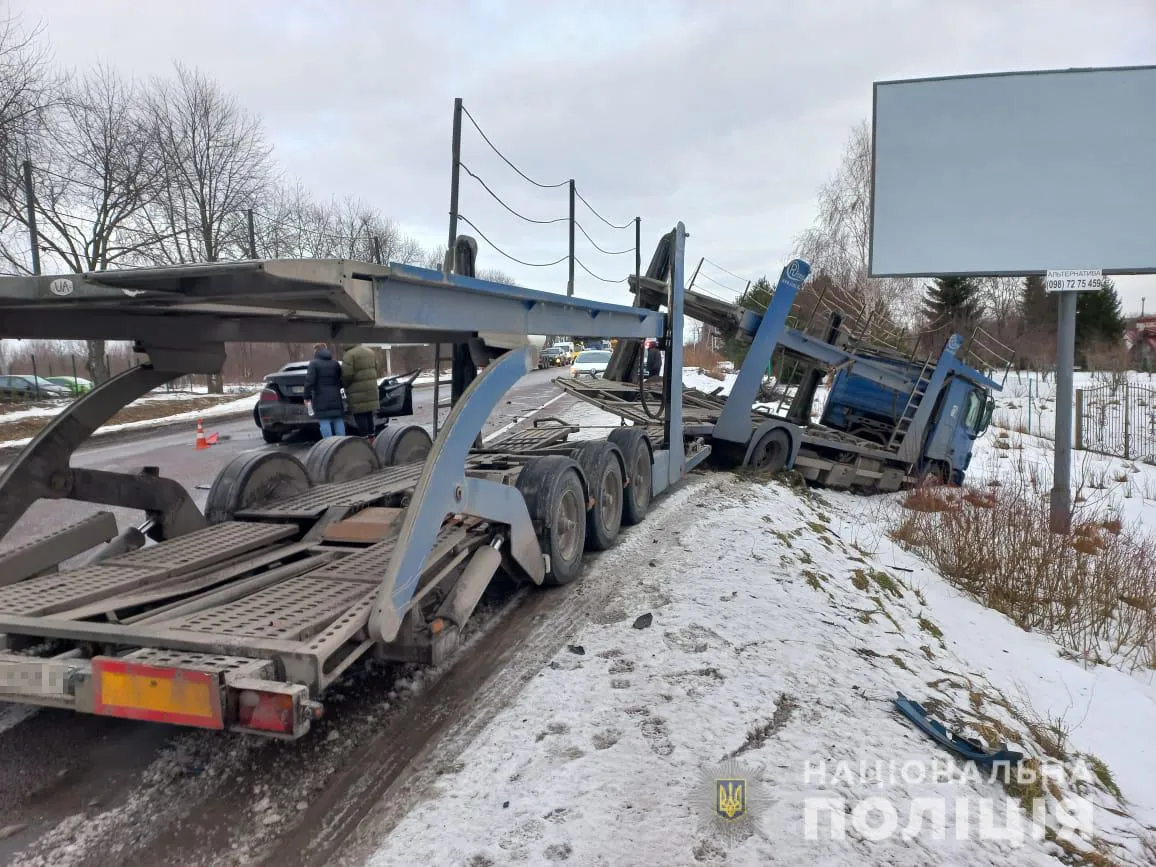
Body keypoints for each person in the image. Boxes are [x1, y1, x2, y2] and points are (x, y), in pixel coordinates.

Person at [304, 342, 345, 437]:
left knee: (324, 420)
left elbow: (309, 382)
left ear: (316, 351)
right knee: (338, 419)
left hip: (320, 398)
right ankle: (342, 443)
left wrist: (307, 397)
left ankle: (328, 445)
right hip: (335, 396)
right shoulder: (335, 363)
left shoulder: (313, 364)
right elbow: (341, 379)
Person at [341, 343, 380, 438]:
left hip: (356, 391)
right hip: (371, 389)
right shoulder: (370, 352)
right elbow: (376, 368)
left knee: (360, 415)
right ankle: (372, 438)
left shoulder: (349, 355)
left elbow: (347, 375)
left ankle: (364, 438)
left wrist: (344, 385)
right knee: (369, 414)